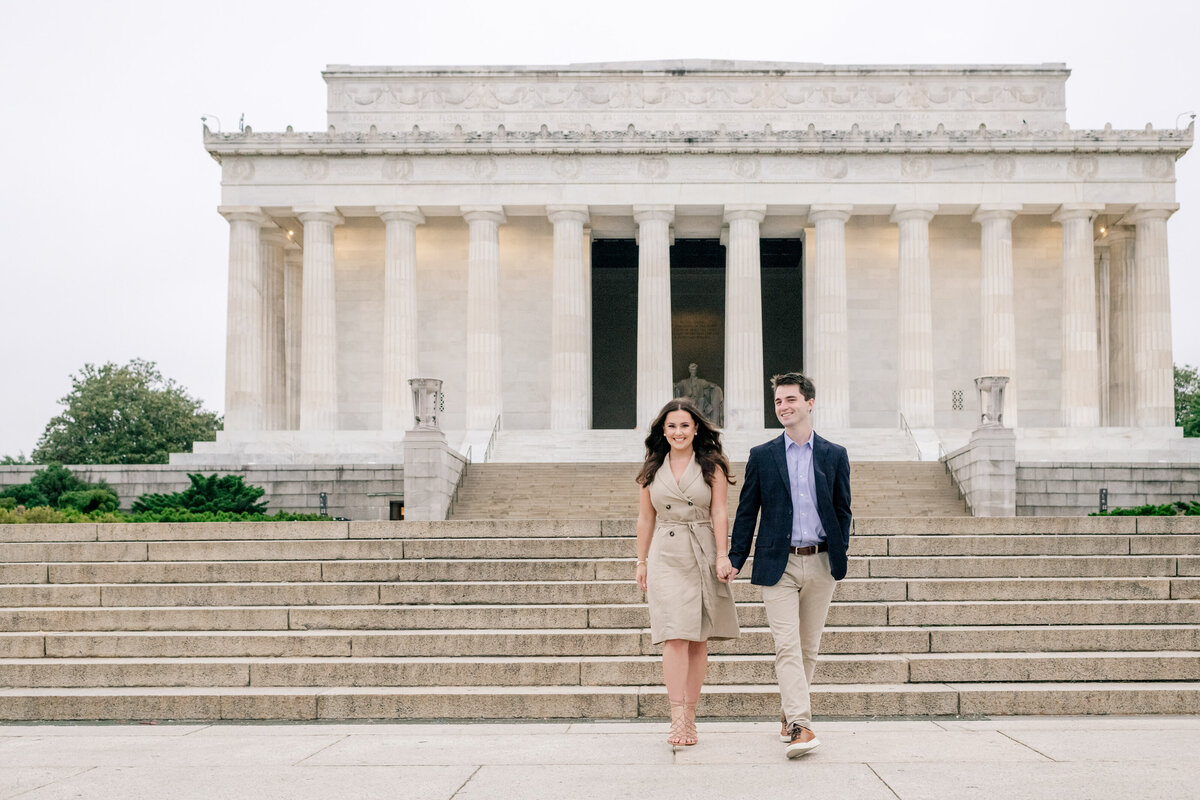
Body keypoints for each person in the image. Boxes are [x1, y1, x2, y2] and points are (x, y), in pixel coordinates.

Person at [722, 372, 852, 759]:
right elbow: (747, 512)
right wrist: (735, 558)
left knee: (808, 647)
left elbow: (843, 509)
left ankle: (788, 714)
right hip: (778, 564)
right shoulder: (763, 456)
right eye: (779, 401)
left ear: (809, 403)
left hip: (821, 562)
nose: (784, 407)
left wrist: (839, 550)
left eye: (791, 399)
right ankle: (802, 725)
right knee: (787, 645)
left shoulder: (834, 454)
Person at [635, 398, 740, 747]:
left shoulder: (712, 466)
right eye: (671, 426)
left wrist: (723, 555)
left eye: (684, 425)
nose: (678, 432)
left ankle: (691, 716)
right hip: (666, 553)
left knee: (697, 638)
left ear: (696, 428)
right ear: (662, 432)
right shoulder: (652, 469)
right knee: (673, 634)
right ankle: (676, 716)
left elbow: (721, 512)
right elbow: (645, 518)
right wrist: (641, 562)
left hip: (703, 550)